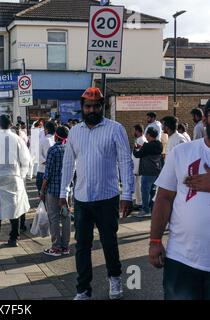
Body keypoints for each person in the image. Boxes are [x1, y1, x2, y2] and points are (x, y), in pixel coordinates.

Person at [59, 87, 134, 300]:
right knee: (82, 247)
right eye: (88, 106)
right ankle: (83, 289)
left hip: (107, 198)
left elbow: (125, 162)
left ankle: (115, 278)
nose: (92, 109)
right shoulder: (74, 132)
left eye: (96, 106)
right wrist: (64, 192)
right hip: (82, 199)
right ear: (82, 107)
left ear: (102, 107)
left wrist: (127, 195)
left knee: (109, 242)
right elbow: (68, 165)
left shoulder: (115, 129)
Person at [149, 103, 210, 299]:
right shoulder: (182, 152)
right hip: (183, 258)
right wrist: (155, 240)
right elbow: (164, 198)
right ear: (205, 118)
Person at [0, 115, 31, 249]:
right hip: (13, 177)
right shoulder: (18, 139)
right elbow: (26, 160)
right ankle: (14, 238)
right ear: (11, 124)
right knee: (14, 208)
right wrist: (21, 175)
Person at [40, 126, 71, 257]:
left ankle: (56, 247)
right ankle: (65, 246)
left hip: (53, 190)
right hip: (67, 191)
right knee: (65, 217)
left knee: (54, 218)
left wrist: (42, 190)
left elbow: (47, 174)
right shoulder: (71, 150)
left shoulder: (53, 150)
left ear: (56, 136)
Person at [132, 127, 163, 218]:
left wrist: (135, 149)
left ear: (149, 135)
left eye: (147, 134)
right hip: (156, 171)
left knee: (145, 191)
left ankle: (145, 210)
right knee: (153, 191)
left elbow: (137, 155)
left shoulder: (147, 146)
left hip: (147, 171)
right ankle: (152, 208)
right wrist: (142, 147)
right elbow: (148, 150)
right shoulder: (159, 144)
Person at [36, 121, 56, 193]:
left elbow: (38, 155)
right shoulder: (56, 140)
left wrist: (47, 163)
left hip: (42, 171)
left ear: (46, 130)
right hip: (53, 172)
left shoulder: (43, 140)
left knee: (42, 195)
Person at [132, 124, 148, 210]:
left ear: (138, 131)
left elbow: (139, 155)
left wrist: (136, 169)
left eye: (135, 130)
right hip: (137, 167)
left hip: (138, 168)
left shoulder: (141, 140)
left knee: (138, 185)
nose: (133, 132)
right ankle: (139, 201)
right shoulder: (141, 139)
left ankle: (139, 203)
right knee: (138, 185)